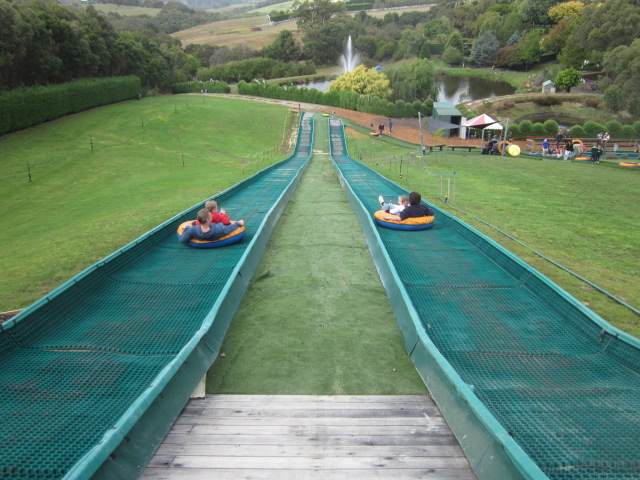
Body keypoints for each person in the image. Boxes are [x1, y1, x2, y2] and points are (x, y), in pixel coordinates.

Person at [180, 208, 244, 244]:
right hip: (217, 228)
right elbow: (228, 228)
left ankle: (222, 214)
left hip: (206, 228)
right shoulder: (218, 230)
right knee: (222, 223)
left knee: (220, 224)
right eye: (210, 216)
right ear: (207, 220)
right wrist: (238, 223)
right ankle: (222, 214)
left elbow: (182, 240)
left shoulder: (192, 230)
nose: (211, 216)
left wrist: (186, 228)